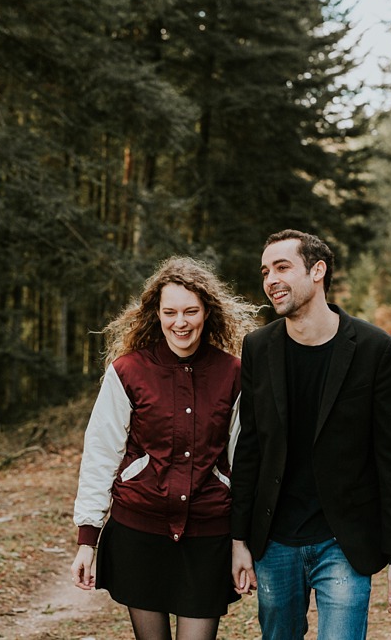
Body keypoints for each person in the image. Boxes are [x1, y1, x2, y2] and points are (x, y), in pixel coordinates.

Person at [231, 231, 391, 640]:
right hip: (275, 539)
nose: (270, 279)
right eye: (265, 271)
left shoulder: (375, 349)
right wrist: (239, 539)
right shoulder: (258, 348)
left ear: (318, 271)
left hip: (344, 542)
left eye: (282, 267)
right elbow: (249, 449)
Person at [72, 255, 255, 640]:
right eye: (170, 312)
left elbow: (245, 462)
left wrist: (242, 542)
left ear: (208, 312)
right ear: (157, 314)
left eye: (191, 311)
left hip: (208, 535)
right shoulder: (128, 371)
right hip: (140, 531)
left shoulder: (234, 373)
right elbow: (101, 453)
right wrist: (87, 539)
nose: (180, 322)